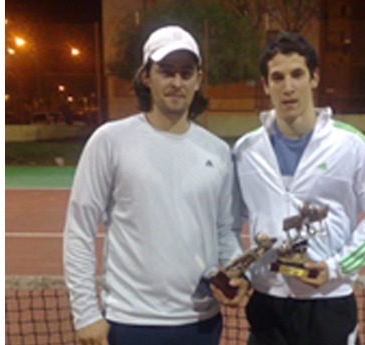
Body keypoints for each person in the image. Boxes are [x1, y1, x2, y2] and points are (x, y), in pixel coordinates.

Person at [63, 25, 248, 345]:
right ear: (146, 76)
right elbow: (79, 230)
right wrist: (86, 314)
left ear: (198, 80)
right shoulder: (110, 141)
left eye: (186, 73)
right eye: (166, 71)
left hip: (201, 324)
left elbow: (224, 232)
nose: (177, 82)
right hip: (130, 323)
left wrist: (236, 271)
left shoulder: (218, 151)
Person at [232, 32, 365, 344]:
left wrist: (337, 266)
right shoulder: (246, 151)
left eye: (297, 74)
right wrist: (239, 270)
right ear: (265, 85)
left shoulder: (350, 145)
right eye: (277, 77)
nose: (288, 87)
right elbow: (228, 222)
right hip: (267, 304)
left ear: (314, 78)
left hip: (329, 303)